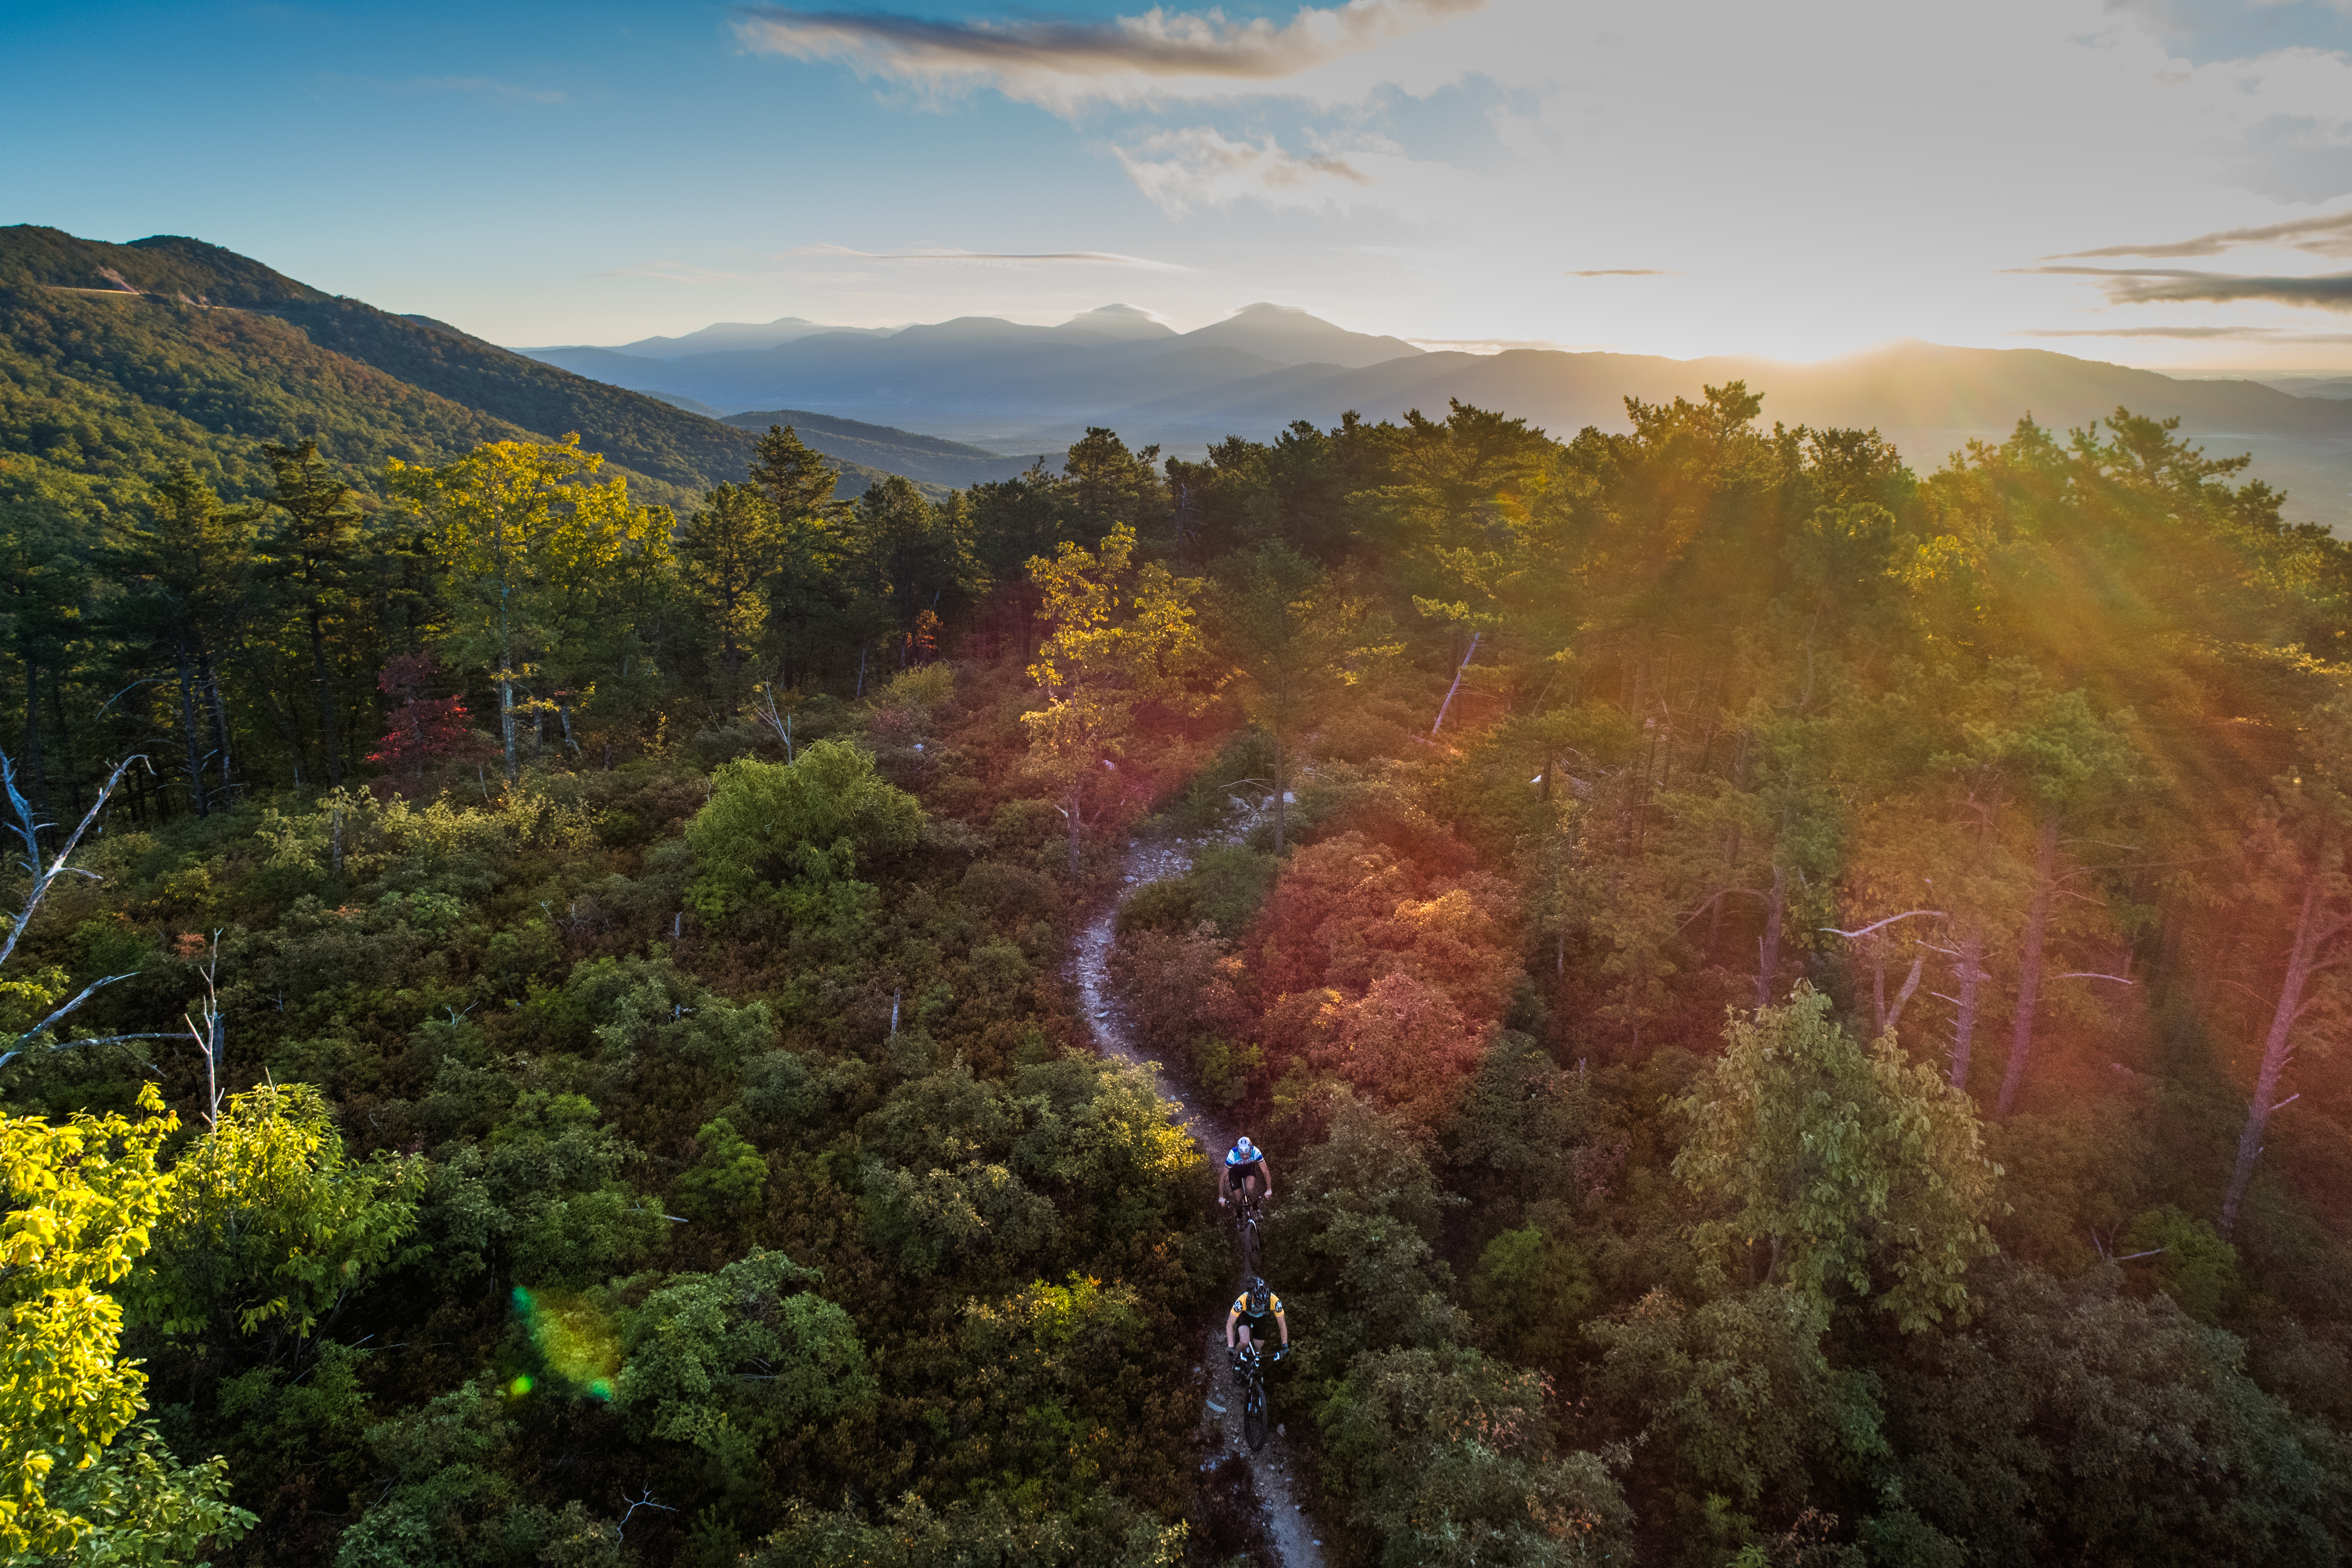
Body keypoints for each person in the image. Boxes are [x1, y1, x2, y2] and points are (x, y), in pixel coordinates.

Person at [1226, 1276, 1289, 1373]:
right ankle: (1237, 1360)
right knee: (1244, 1342)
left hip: (1260, 1318)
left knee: (1258, 1349)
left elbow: (1282, 1324)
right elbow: (1230, 1324)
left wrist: (1285, 1345)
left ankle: (1254, 1366)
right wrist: (1231, 1347)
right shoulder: (1244, 1299)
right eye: (1258, 1303)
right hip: (1245, 1315)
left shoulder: (1274, 1301)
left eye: (1265, 1304)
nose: (1261, 1306)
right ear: (1253, 1296)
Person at [1220, 1136, 1272, 1208]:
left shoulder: (1256, 1152)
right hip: (1235, 1172)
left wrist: (1269, 1189)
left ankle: (1256, 1208)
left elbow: (1266, 1171)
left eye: (1247, 1154)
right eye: (1242, 1154)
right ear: (1238, 1151)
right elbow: (1222, 1176)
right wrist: (1221, 1197)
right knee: (1238, 1198)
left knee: (1251, 1188)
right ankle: (1239, 1214)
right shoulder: (1233, 1154)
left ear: (1251, 1150)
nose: (1244, 1157)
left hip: (1248, 1169)